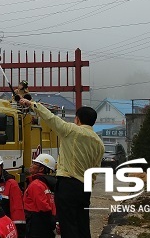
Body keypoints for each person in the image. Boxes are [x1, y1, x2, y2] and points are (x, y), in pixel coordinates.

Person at [19, 99, 104, 238]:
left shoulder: (72, 130)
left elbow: (51, 118)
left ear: (77, 119)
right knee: (82, 224)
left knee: (68, 225)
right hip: (85, 188)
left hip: (68, 185)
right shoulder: (99, 143)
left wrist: (32, 104)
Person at [0, 151, 26, 236]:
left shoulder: (11, 184)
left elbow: (17, 211)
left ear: (1, 166)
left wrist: (18, 233)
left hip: (5, 229)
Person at [23, 154, 57, 238]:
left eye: (34, 163)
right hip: (44, 224)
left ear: (41, 169)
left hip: (36, 224)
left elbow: (43, 207)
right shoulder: (47, 183)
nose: (31, 165)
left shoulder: (36, 184)